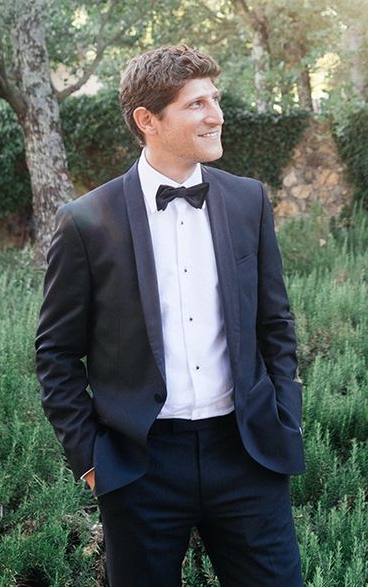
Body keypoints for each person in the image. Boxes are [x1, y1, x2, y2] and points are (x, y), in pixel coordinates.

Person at [35, 44, 305, 586]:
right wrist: (92, 460)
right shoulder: (86, 221)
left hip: (247, 454)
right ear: (147, 120)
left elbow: (274, 323)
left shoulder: (248, 200)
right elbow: (56, 354)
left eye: (215, 98)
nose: (216, 114)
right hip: (141, 466)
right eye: (196, 104)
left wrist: (284, 414)